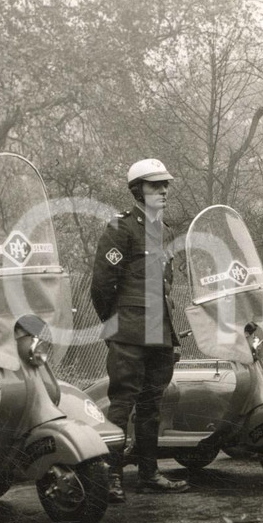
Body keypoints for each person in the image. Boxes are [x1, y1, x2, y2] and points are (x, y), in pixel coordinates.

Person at [91, 158, 188, 499]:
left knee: (152, 406)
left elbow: (164, 287)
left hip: (159, 331)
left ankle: (149, 474)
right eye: (154, 185)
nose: (163, 190)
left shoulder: (165, 232)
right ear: (137, 190)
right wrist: (116, 323)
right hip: (130, 332)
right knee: (121, 405)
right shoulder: (121, 228)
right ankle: (111, 477)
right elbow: (102, 285)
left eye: (165, 184)